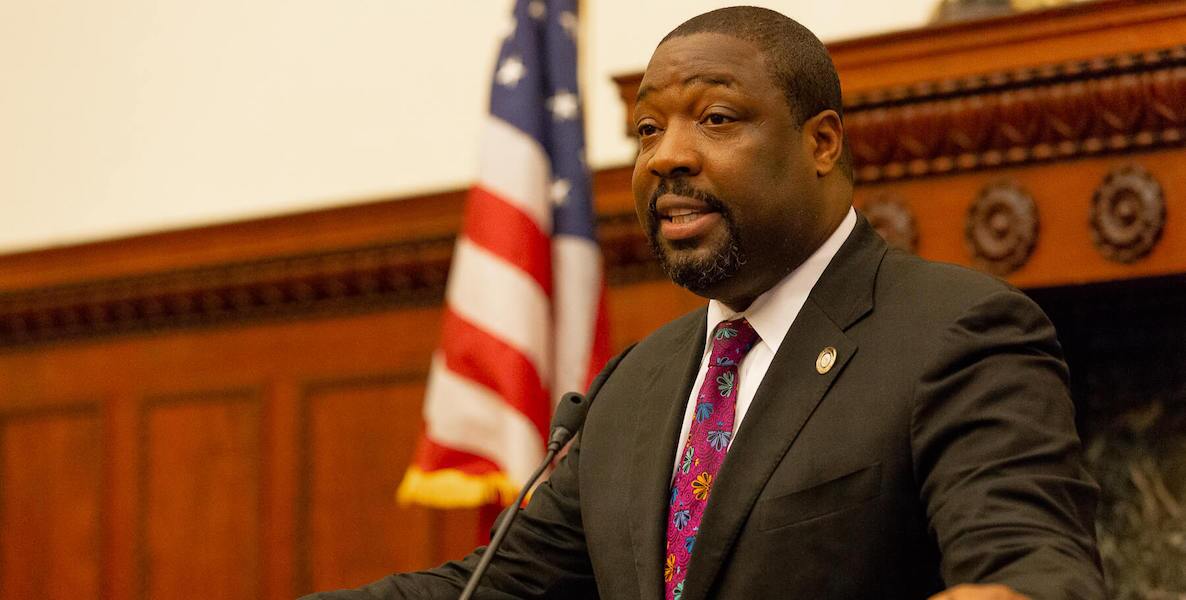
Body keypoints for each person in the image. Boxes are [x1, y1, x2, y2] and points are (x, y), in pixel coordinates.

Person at [305, 6, 1104, 599]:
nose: (668, 156)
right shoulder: (634, 386)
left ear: (821, 143)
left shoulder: (956, 331)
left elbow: (1030, 575)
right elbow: (490, 591)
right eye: (646, 129)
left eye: (716, 119)